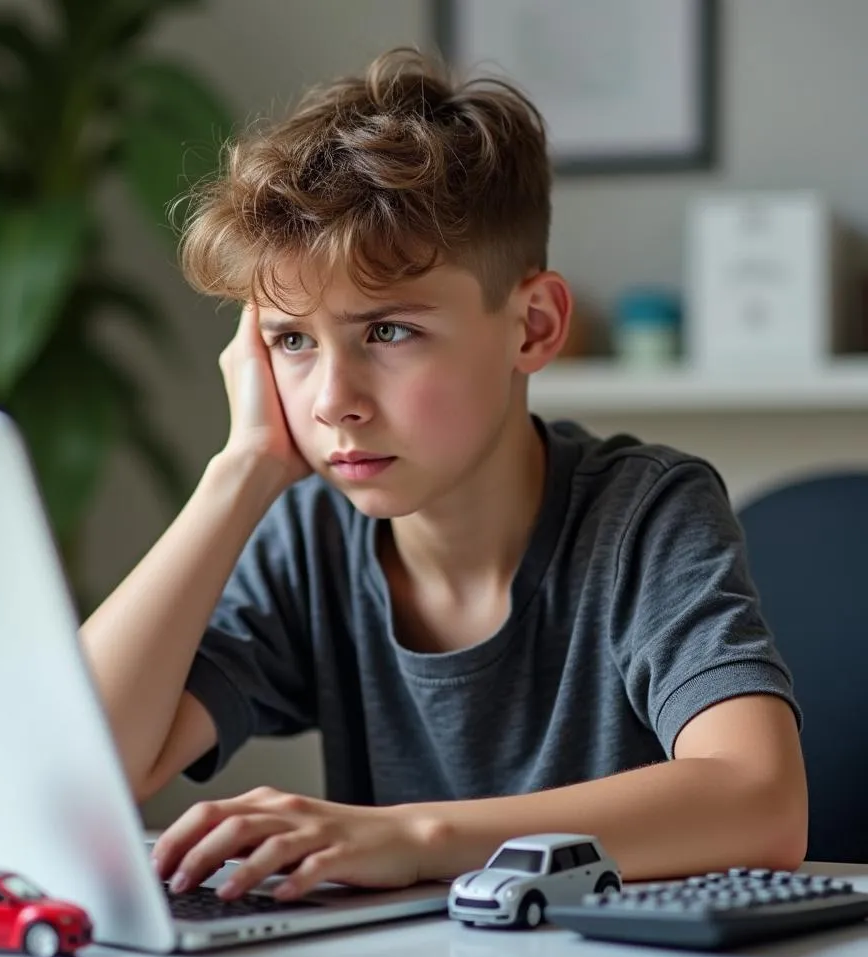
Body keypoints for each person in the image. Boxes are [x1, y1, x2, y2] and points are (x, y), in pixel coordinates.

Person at [80, 48, 807, 903]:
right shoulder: (310, 537)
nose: (333, 402)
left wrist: (413, 836)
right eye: (292, 341)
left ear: (532, 326)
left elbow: (761, 801)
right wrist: (239, 473)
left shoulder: (645, 514)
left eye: (387, 332)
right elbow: (82, 774)